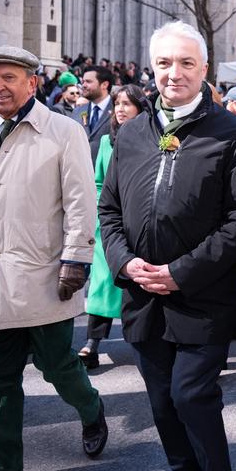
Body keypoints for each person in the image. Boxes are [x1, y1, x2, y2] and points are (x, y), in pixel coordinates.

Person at [98, 21, 236, 471]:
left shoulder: (233, 133)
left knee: (193, 396)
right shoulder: (131, 132)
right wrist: (127, 264)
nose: (175, 73)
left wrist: (181, 271)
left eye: (186, 63)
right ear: (152, 68)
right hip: (142, 298)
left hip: (201, 297)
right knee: (163, 406)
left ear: (204, 71)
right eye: (165, 63)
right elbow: (110, 210)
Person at [0, 46, 109, 471]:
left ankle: (91, 407)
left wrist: (76, 259)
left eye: (8, 78)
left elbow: (82, 201)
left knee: (56, 365)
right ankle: (4, 463)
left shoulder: (61, 131)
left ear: (31, 83)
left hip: (42, 271)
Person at [80, 85, 151, 369]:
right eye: (117, 104)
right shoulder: (107, 142)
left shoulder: (153, 138)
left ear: (140, 108)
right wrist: (100, 211)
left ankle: (144, 343)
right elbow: (97, 181)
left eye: (127, 104)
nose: (120, 109)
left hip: (142, 221)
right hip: (108, 222)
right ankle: (92, 342)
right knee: (102, 283)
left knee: (138, 282)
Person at [73, 65, 115, 158]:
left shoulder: (117, 111)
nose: (83, 85)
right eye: (83, 81)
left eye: (88, 82)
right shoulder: (77, 112)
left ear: (104, 85)